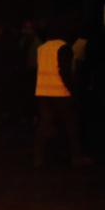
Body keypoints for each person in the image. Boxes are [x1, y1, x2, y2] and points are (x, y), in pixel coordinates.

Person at [33, 24, 91, 167]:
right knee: (71, 125)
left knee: (44, 125)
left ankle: (38, 158)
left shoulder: (41, 48)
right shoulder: (64, 48)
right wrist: (72, 90)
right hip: (60, 92)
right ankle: (76, 157)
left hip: (43, 91)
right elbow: (64, 71)